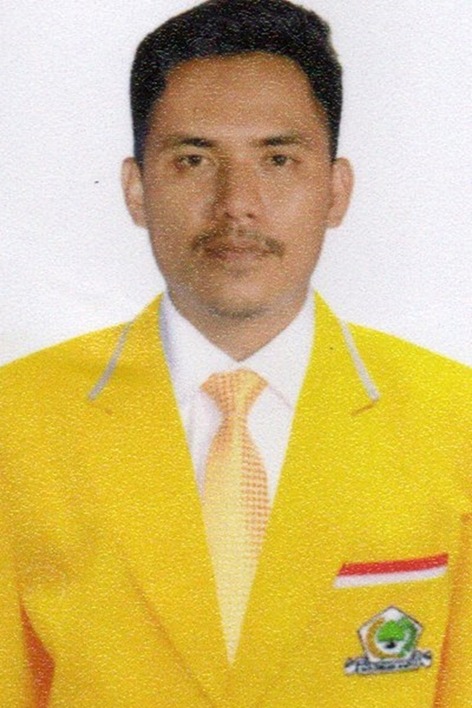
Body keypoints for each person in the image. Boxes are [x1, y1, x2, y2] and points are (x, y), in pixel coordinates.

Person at [0, 0, 470, 705]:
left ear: (335, 190)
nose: (236, 204)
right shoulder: (16, 421)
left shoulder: (456, 421)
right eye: (193, 160)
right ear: (136, 189)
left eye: (278, 160)